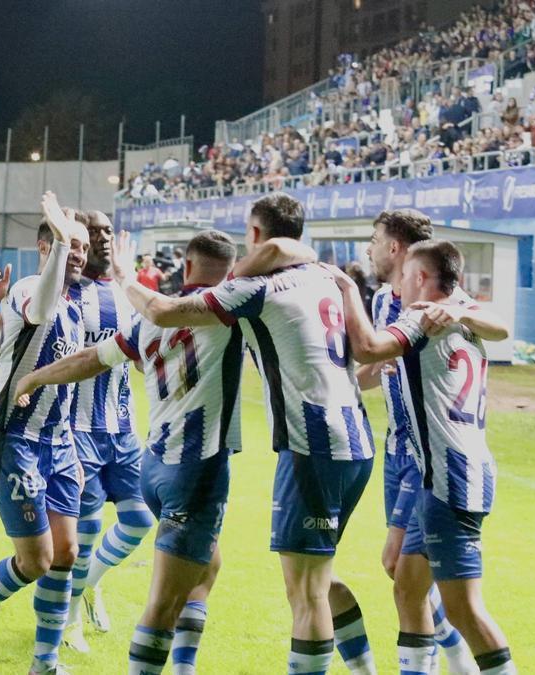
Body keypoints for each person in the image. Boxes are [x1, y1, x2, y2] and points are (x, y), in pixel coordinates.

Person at [115, 193, 379, 675]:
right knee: (319, 576)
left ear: (254, 236)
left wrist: (122, 275)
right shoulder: (327, 277)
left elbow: (162, 311)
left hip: (312, 445)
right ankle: (366, 669)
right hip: (357, 440)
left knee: (307, 592)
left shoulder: (258, 289)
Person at [14, 229, 259, 675]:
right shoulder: (231, 311)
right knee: (165, 600)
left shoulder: (150, 318)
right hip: (196, 464)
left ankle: (182, 667)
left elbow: (91, 358)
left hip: (152, 459)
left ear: (184, 267)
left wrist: (34, 377)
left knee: (205, 570)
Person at [331, 239, 518, 675]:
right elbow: (499, 328)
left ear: (418, 277)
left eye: (404, 275)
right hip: (448, 471)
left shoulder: (422, 318)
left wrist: (344, 289)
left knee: (465, 610)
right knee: (409, 588)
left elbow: (369, 350)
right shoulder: (458, 312)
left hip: (451, 476)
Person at [0, 210, 156, 655]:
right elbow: (2, 338)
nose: (98, 242)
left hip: (121, 427)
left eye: (104, 234)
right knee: (68, 547)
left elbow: (138, 350)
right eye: (86, 236)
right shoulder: (60, 291)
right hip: (71, 431)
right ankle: (63, 627)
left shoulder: (120, 291)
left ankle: (88, 587)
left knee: (139, 520)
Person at [0, 192, 89, 675]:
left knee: (66, 553)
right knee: (35, 561)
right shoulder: (30, 289)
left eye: (83, 247)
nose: (80, 253)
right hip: (15, 441)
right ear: (45, 249)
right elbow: (38, 311)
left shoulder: (76, 307)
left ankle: (43, 664)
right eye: (70, 245)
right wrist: (63, 241)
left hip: (60, 443)